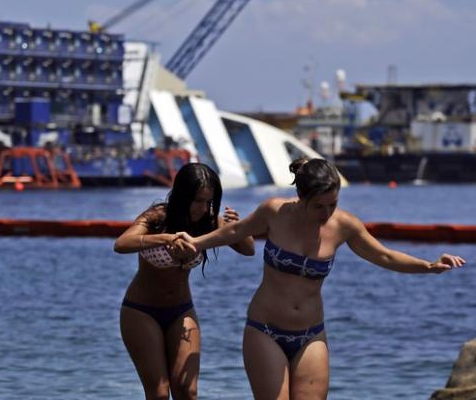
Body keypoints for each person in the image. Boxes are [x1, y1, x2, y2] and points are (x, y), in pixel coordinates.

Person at [176, 158, 466, 400]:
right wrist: (196, 242)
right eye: (319, 206)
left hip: (311, 335)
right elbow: (233, 233)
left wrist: (428, 265)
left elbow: (385, 256)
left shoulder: (344, 225)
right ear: (301, 197)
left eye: (333, 204)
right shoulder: (274, 212)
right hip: (264, 330)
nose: (327, 213)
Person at [114, 162, 255, 400]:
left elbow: (248, 249)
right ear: (182, 196)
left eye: (209, 202)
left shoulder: (210, 220)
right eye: (198, 200)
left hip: (181, 311)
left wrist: (236, 227)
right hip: (141, 311)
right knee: (159, 393)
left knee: (187, 391)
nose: (203, 208)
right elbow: (121, 244)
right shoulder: (158, 216)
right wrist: (165, 238)